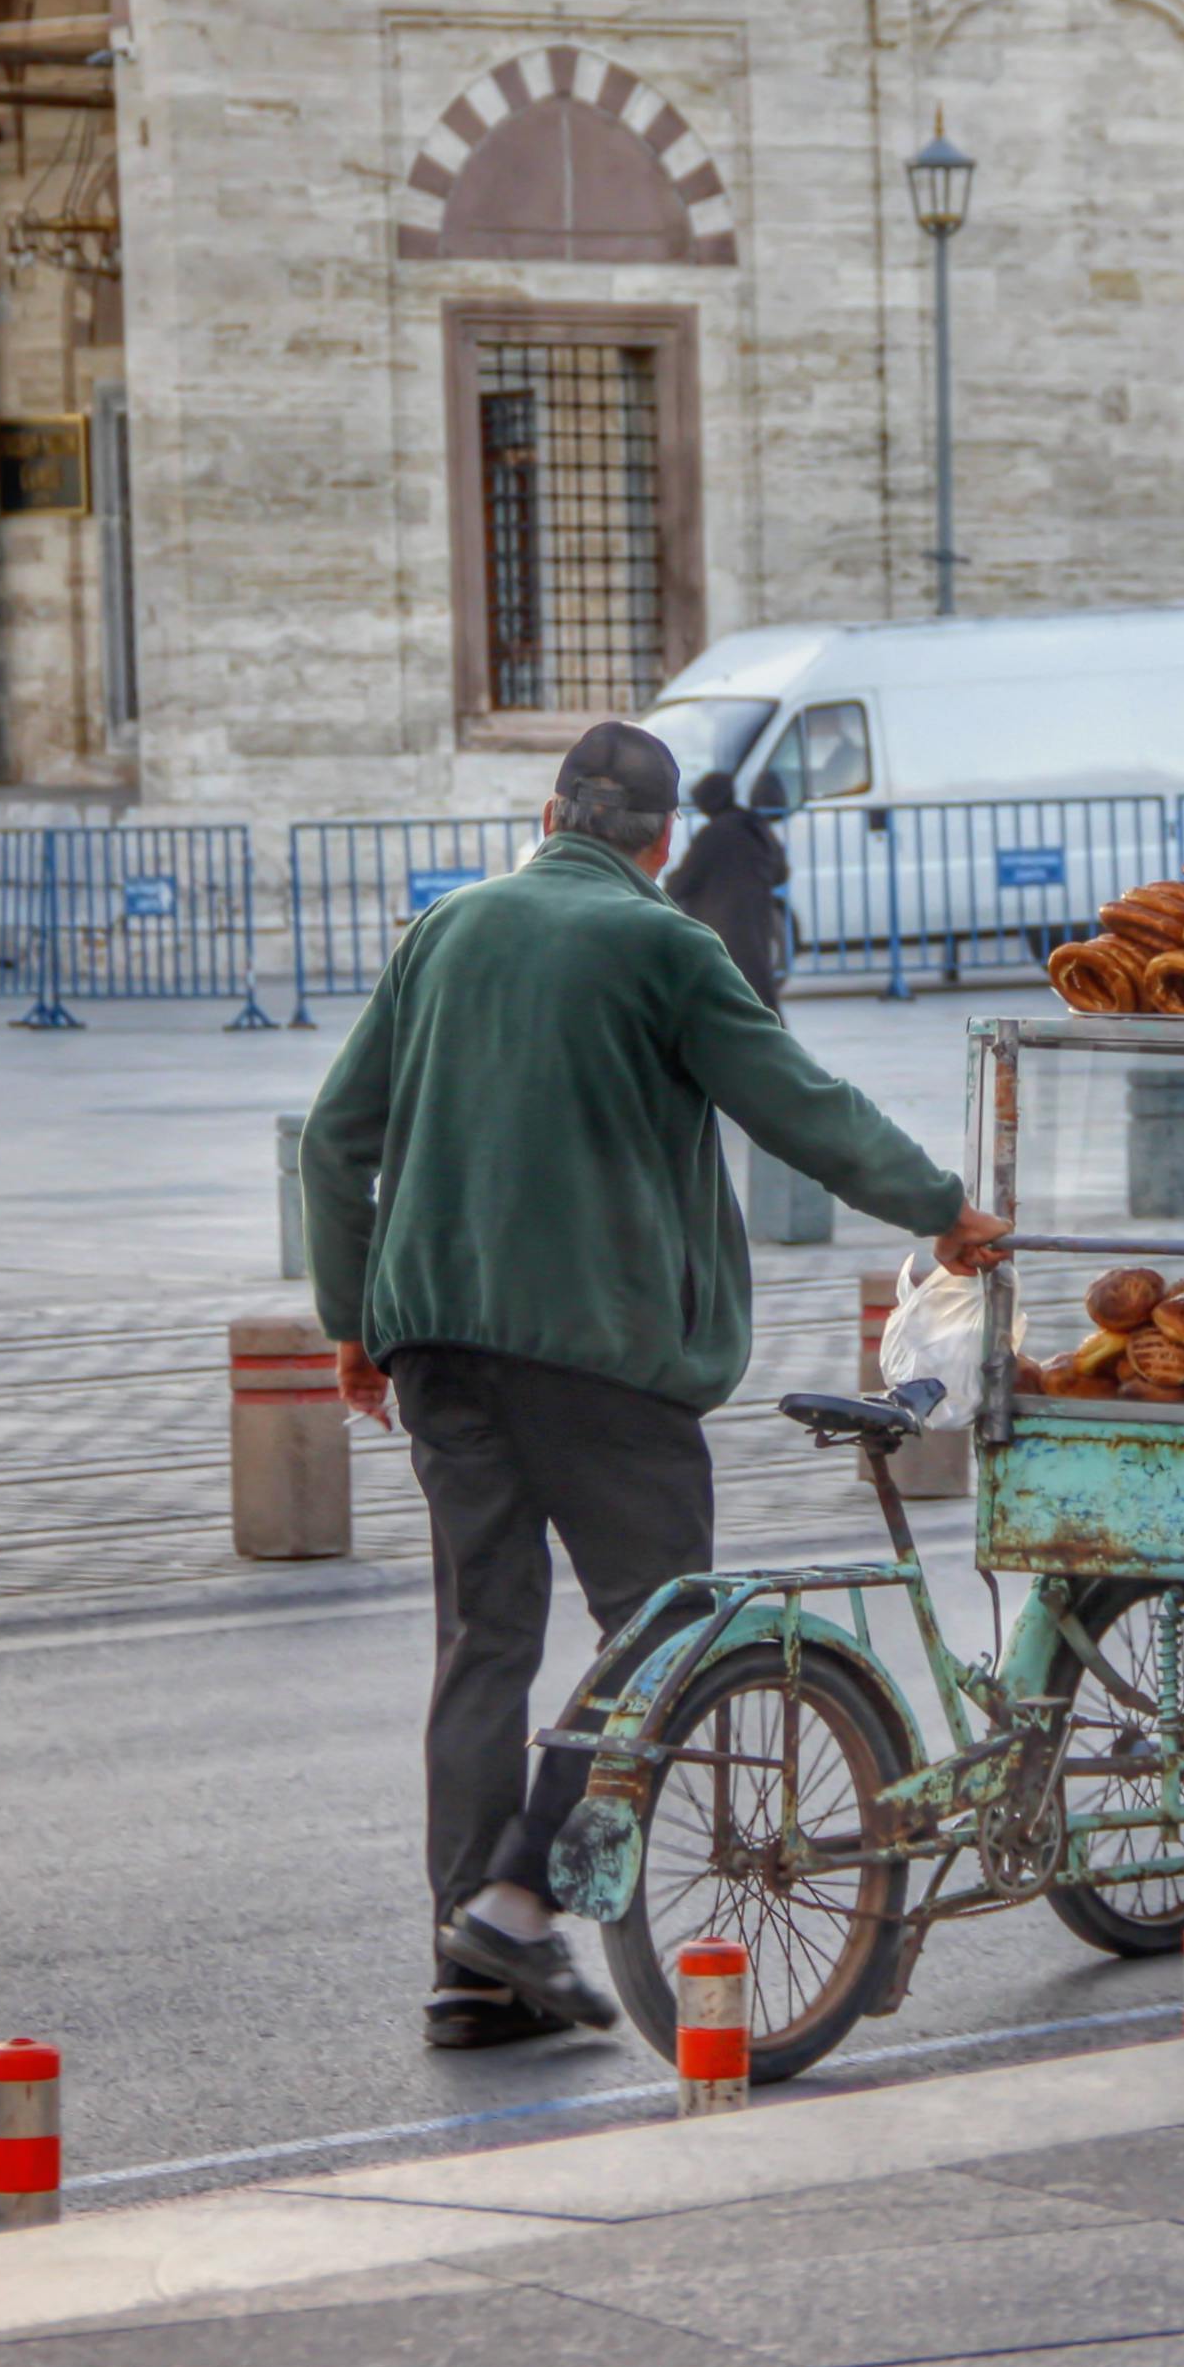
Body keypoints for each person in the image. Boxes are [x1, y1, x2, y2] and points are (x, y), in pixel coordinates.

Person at [301, 721, 1007, 2051]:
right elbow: (797, 1101)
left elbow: (337, 1143)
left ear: (552, 809)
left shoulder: (449, 931)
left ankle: (471, 1971)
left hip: (436, 1347)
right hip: (601, 1356)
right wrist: (942, 1208)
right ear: (663, 840)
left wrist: (354, 1321)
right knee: (663, 1636)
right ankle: (515, 1904)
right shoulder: (665, 945)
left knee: (484, 1643)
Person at [662, 764, 790, 1008]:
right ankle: (773, 1037)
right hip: (756, 916)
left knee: (727, 987)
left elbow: (686, 878)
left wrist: (659, 897)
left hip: (723, 922)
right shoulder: (754, 826)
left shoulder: (714, 833)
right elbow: (779, 872)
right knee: (758, 984)